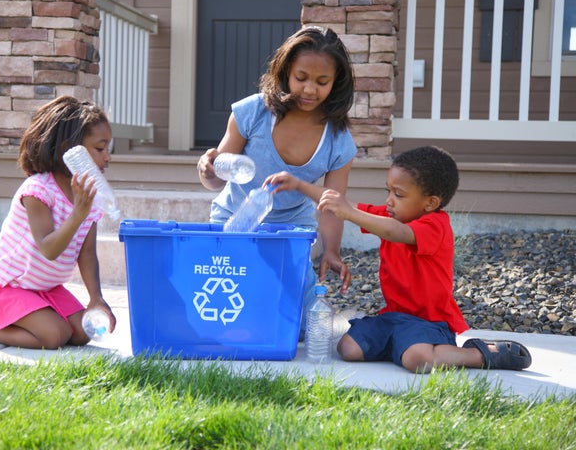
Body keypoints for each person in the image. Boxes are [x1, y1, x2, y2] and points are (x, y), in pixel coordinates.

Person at [281, 145, 530, 373]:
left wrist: (349, 213)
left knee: (419, 362)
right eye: (387, 190)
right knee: (348, 349)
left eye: (398, 194)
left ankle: (478, 353)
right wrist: (298, 184)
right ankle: (401, 346)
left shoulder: (435, 225)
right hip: (393, 317)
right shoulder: (391, 216)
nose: (389, 200)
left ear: (431, 202)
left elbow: (394, 232)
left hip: (429, 322)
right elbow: (341, 202)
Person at [197, 26, 359, 337]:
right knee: (231, 307)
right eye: (301, 78)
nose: (310, 89)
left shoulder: (338, 140)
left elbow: (331, 205)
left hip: (291, 232)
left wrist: (331, 251)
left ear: (336, 83)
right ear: (285, 72)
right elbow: (218, 179)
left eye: (322, 82)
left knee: (303, 329)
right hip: (234, 222)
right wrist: (208, 171)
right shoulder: (252, 113)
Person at [0, 96, 117, 349]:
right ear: (69, 150)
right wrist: (77, 214)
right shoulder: (38, 190)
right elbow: (48, 249)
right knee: (54, 335)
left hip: (44, 289)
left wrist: (96, 298)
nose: (107, 157)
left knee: (84, 331)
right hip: (6, 286)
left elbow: (87, 253)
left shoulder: (88, 198)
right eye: (100, 148)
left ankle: (31, 318)